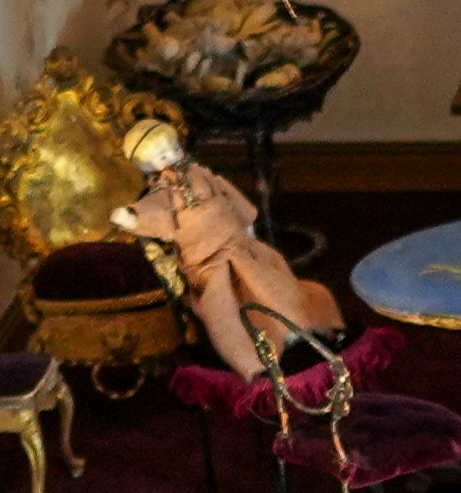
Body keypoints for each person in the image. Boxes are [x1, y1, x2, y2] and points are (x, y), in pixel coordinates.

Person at [109, 121, 342, 376]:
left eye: (175, 148)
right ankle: (255, 358)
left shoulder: (201, 174)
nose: (174, 156)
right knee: (224, 307)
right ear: (147, 165)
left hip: (238, 244)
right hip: (209, 261)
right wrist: (132, 217)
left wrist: (246, 224)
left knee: (273, 284)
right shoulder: (162, 193)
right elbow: (154, 212)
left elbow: (229, 194)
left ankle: (298, 327)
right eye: (163, 156)